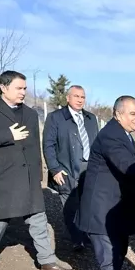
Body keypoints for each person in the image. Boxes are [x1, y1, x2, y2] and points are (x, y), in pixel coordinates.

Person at [0, 70, 75, 270]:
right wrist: (8, 135)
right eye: (19, 88)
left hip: (27, 177)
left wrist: (38, 174)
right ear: (3, 87)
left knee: (38, 219)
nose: (23, 92)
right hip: (3, 177)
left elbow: (34, 146)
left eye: (24, 88)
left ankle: (47, 264)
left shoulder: (29, 113)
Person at [75, 95, 135, 270]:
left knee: (118, 254)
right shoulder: (111, 136)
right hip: (101, 212)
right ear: (118, 114)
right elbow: (130, 167)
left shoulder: (123, 133)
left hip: (116, 210)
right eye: (132, 113)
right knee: (109, 259)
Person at [43, 85, 99, 251]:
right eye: (76, 96)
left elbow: (96, 144)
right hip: (66, 168)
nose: (80, 100)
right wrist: (54, 168)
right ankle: (77, 238)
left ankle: (84, 234)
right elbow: (48, 145)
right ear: (68, 98)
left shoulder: (91, 118)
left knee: (87, 204)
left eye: (82, 97)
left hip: (89, 169)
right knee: (70, 205)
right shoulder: (56, 118)